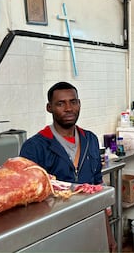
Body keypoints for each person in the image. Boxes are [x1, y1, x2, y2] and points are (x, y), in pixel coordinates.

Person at [19, 81, 116, 251]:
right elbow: (28, 201)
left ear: (79, 104)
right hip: (55, 233)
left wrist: (108, 235)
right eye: (60, 103)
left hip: (90, 225)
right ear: (49, 108)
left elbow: (97, 187)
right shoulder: (35, 147)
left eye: (73, 102)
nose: (68, 108)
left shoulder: (90, 140)